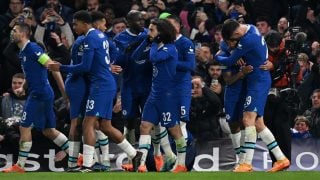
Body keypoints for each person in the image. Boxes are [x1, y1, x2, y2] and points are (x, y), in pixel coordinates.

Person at [48, 10, 142, 172]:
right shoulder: (100, 36)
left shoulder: (90, 39)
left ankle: (87, 165)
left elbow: (85, 66)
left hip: (100, 86)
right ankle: (134, 154)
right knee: (105, 126)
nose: (74, 27)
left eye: (75, 24)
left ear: (85, 23)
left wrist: (60, 67)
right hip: (105, 84)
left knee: (87, 124)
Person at [215, 19, 290, 172]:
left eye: (232, 41)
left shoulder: (248, 40)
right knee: (258, 123)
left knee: (247, 119)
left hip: (258, 83)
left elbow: (228, 60)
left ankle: (246, 163)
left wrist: (218, 57)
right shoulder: (251, 29)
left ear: (236, 34)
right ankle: (281, 159)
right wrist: (231, 50)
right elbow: (225, 46)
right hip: (256, 81)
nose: (231, 44)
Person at [2, 22, 69, 173]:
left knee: (24, 127)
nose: (12, 32)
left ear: (24, 33)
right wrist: (23, 88)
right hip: (40, 92)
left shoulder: (33, 48)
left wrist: (64, 93)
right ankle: (78, 156)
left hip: (40, 93)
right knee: (48, 131)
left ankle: (19, 166)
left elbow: (52, 66)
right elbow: (30, 74)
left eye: (15, 30)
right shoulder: (23, 52)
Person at [113, 10, 151, 154]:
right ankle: (130, 155)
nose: (142, 23)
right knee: (129, 119)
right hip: (129, 85)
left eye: (143, 20)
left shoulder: (149, 33)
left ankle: (155, 154)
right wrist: (131, 48)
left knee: (149, 120)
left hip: (147, 84)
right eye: (138, 20)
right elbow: (119, 63)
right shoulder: (120, 38)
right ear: (129, 23)